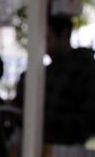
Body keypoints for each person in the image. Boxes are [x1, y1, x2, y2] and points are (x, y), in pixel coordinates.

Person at [15, 16, 95, 145]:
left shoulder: (84, 70)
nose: (43, 44)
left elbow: (88, 121)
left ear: (64, 35)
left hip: (70, 149)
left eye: (48, 38)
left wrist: (42, 118)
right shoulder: (45, 72)